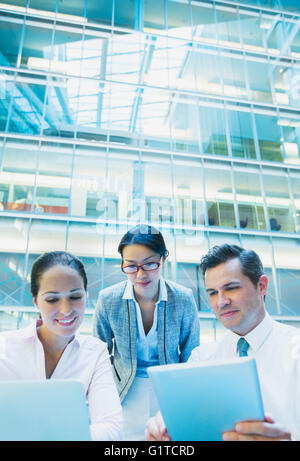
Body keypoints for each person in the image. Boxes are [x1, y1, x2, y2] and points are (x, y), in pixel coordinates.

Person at [145, 244, 300, 441]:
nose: (221, 302)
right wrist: (163, 433)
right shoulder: (202, 359)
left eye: (231, 288)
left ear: (261, 286)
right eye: (212, 293)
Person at [0, 251, 123, 441]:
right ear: (35, 301)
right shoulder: (4, 347)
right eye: (52, 299)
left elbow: (113, 428)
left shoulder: (95, 352)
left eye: (75, 297)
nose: (66, 310)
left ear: (86, 295)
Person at [93, 224, 200, 440]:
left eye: (150, 264)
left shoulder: (183, 297)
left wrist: (187, 397)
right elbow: (100, 354)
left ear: (164, 260)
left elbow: (192, 354)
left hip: (169, 389)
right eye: (131, 266)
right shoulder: (108, 299)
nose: (141, 274)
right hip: (123, 390)